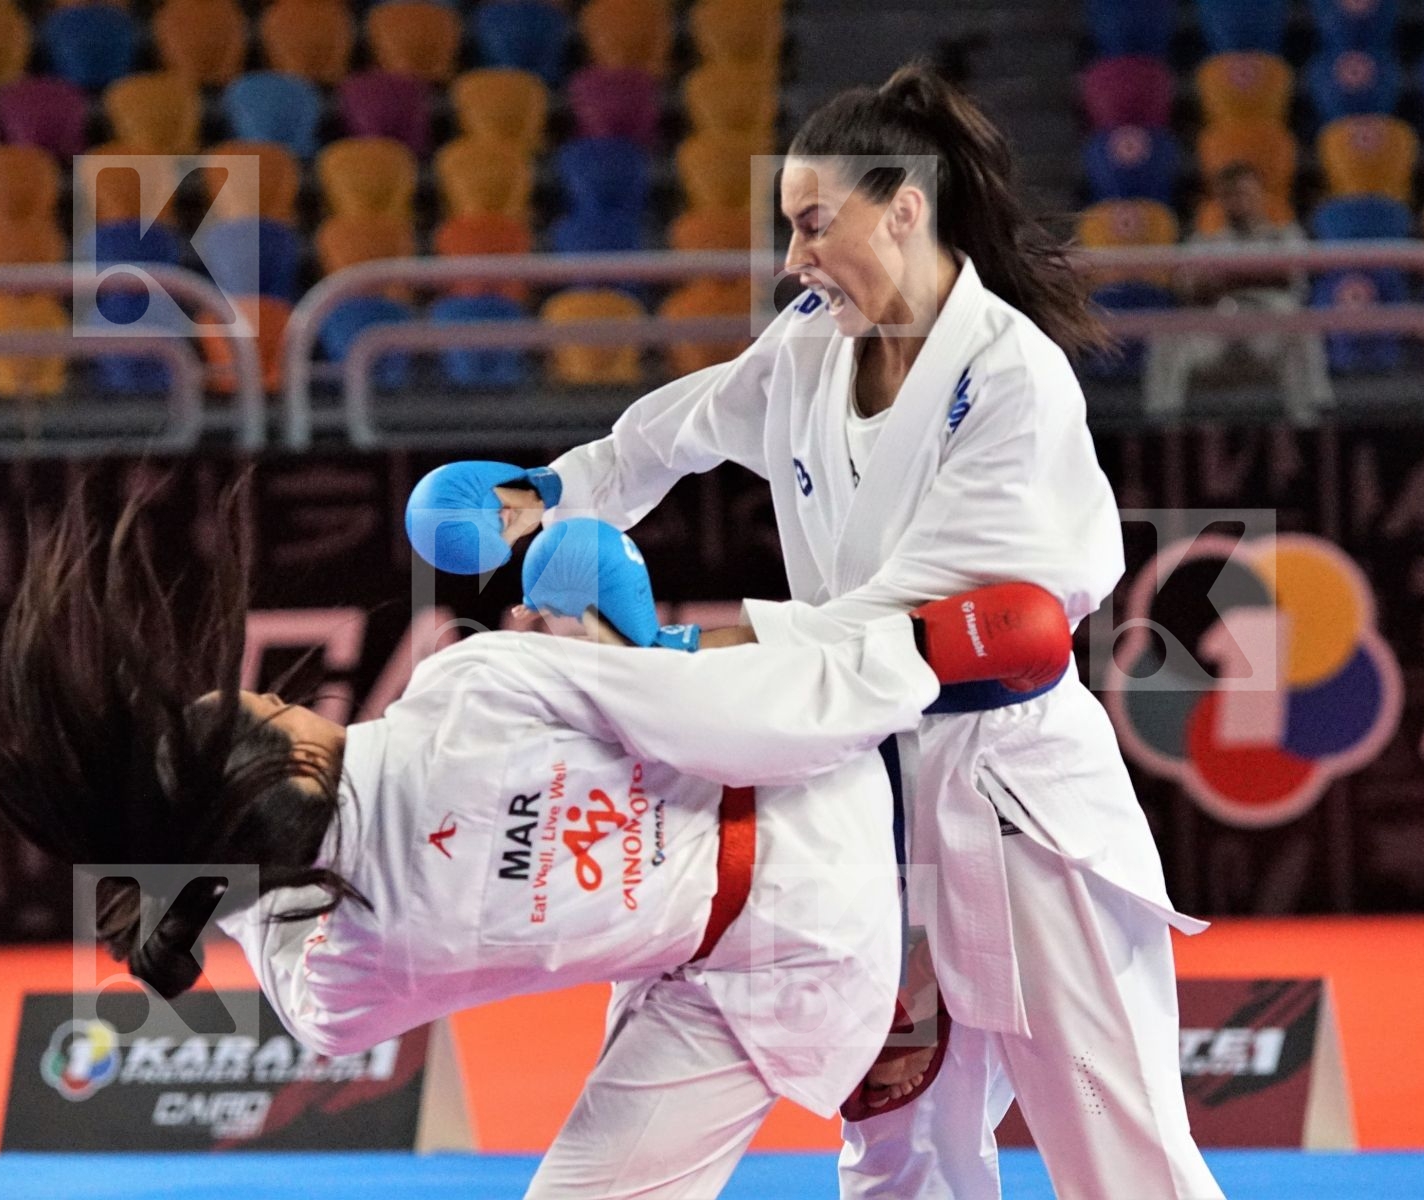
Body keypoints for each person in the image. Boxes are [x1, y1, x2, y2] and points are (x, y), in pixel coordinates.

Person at [421, 62, 1224, 1200]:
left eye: (812, 223)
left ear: (904, 208)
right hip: (858, 802)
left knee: (1118, 1148)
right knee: (897, 1146)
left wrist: (682, 659)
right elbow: (670, 433)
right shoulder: (810, 344)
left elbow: (899, 625)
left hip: (1012, 797)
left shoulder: (1012, 381)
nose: (792, 257)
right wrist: (545, 497)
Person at [0, 485, 1073, 1200]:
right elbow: (739, 713)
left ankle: (897, 1047)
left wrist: (204, 887)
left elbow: (278, 913)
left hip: (757, 981)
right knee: (681, 649)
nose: (262, 694)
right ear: (282, 758)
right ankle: (906, 1029)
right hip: (818, 848)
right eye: (249, 708)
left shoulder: (338, 977)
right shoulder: (471, 689)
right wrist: (917, 652)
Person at [1146, 161, 1334, 424]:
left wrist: (1226, 279)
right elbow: (1187, 288)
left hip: (1268, 331)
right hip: (1217, 331)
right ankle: (1162, 423)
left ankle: (1311, 422)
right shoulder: (1206, 240)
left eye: (1244, 193)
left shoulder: (1284, 236)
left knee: (1302, 326)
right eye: (1229, 195)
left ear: (1259, 196)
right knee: (1167, 331)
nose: (1238, 201)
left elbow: (1288, 279)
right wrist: (1252, 277)